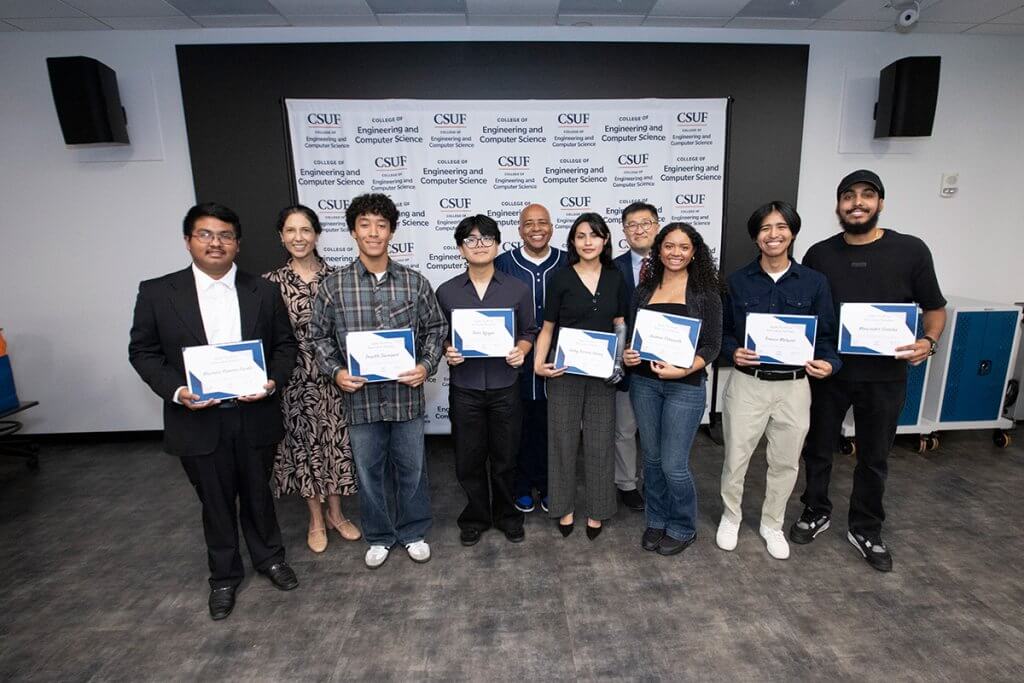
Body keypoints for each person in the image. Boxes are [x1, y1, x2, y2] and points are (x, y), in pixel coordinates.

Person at [129, 202, 299, 621]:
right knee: (215, 501)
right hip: (197, 418)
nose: (215, 242)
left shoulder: (263, 290)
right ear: (188, 241)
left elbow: (285, 347)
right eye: (205, 234)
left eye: (225, 235)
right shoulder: (157, 292)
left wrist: (272, 382)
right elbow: (143, 352)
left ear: (237, 244)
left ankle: (270, 559)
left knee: (259, 494)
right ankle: (223, 577)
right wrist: (178, 390)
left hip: (254, 414)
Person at [791, 170, 946, 572]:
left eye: (866, 196)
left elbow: (934, 308)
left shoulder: (911, 251)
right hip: (830, 373)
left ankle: (865, 527)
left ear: (880, 204)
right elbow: (808, 312)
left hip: (885, 376)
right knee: (818, 450)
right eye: (848, 197)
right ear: (838, 205)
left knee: (875, 457)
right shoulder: (820, 255)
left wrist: (928, 342)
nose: (857, 203)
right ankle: (815, 510)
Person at [309, 193, 447, 570]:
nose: (373, 233)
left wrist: (426, 364)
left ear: (391, 232)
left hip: (405, 398)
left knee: (412, 469)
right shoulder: (333, 286)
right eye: (365, 225)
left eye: (381, 226)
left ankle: (414, 531)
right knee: (369, 473)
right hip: (360, 401)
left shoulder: (415, 283)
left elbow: (436, 328)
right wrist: (336, 371)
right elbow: (317, 337)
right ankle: (380, 536)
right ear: (353, 231)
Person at [716, 201, 840, 561]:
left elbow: (827, 335)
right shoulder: (737, 281)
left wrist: (829, 364)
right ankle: (731, 516)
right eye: (766, 228)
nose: (774, 235)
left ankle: (772, 523)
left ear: (793, 232)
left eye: (781, 227)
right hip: (747, 383)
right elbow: (723, 331)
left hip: (794, 386)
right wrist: (732, 351)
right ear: (756, 236)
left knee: (786, 461)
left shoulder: (815, 282)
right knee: (736, 457)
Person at [436, 214, 539, 546]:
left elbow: (528, 332)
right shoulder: (447, 291)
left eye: (485, 239)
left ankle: (508, 515)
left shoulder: (517, 289)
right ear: (460, 249)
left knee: (506, 457)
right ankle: (476, 516)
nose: (478, 246)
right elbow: (439, 336)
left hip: (505, 386)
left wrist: (521, 350)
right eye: (470, 240)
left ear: (497, 245)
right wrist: (448, 350)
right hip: (465, 388)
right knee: (468, 458)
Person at [263, 205, 360, 554]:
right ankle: (315, 519)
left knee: (335, 445)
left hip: (334, 376)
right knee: (302, 448)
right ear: (281, 236)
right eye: (291, 230)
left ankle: (337, 514)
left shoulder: (337, 278)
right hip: (292, 380)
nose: (298, 237)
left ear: (317, 235)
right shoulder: (269, 285)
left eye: (305, 230)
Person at [623, 223, 722, 556]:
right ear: (659, 249)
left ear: (694, 252)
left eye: (683, 247)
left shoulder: (705, 293)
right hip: (644, 385)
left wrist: (684, 369)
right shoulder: (643, 291)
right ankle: (657, 519)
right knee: (650, 461)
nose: (675, 253)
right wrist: (629, 354)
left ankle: (682, 526)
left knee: (673, 465)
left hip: (686, 388)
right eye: (669, 246)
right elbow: (635, 338)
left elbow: (712, 345)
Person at [533, 213, 628, 540]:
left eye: (595, 235)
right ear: (572, 242)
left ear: (605, 241)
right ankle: (564, 507)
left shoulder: (616, 278)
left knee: (601, 443)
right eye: (581, 236)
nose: (588, 242)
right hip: (564, 373)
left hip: (603, 375)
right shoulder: (560, 278)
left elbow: (620, 324)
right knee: (562, 441)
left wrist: (618, 364)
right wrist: (538, 363)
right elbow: (547, 329)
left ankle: (599, 510)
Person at [495, 203, 568, 514]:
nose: (536, 229)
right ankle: (523, 484)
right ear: (519, 229)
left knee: (554, 426)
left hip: (560, 361)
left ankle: (552, 484)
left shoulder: (568, 262)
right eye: (529, 224)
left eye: (543, 222)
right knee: (519, 427)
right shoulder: (502, 264)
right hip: (515, 362)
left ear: (551, 227)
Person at [611, 201, 660, 512]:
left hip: (667, 364)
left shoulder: (677, 262)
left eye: (646, 223)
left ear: (657, 225)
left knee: (661, 432)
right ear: (624, 231)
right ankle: (626, 483)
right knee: (624, 429)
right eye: (632, 224)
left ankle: (658, 482)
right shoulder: (611, 268)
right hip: (626, 364)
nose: (639, 229)